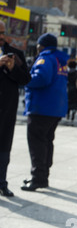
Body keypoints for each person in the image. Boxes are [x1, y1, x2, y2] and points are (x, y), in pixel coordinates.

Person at [21, 33, 69, 191]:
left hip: (41, 108)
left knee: (37, 143)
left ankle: (38, 177)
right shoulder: (59, 59)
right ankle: (43, 176)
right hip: (55, 108)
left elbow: (41, 78)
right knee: (47, 141)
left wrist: (24, 79)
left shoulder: (45, 58)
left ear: (42, 46)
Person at [0, 20, 31, 197]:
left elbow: (26, 79)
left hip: (7, 112)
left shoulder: (16, 54)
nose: (2, 37)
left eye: (3, 32)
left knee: (4, 150)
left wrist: (12, 68)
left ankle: (2, 183)